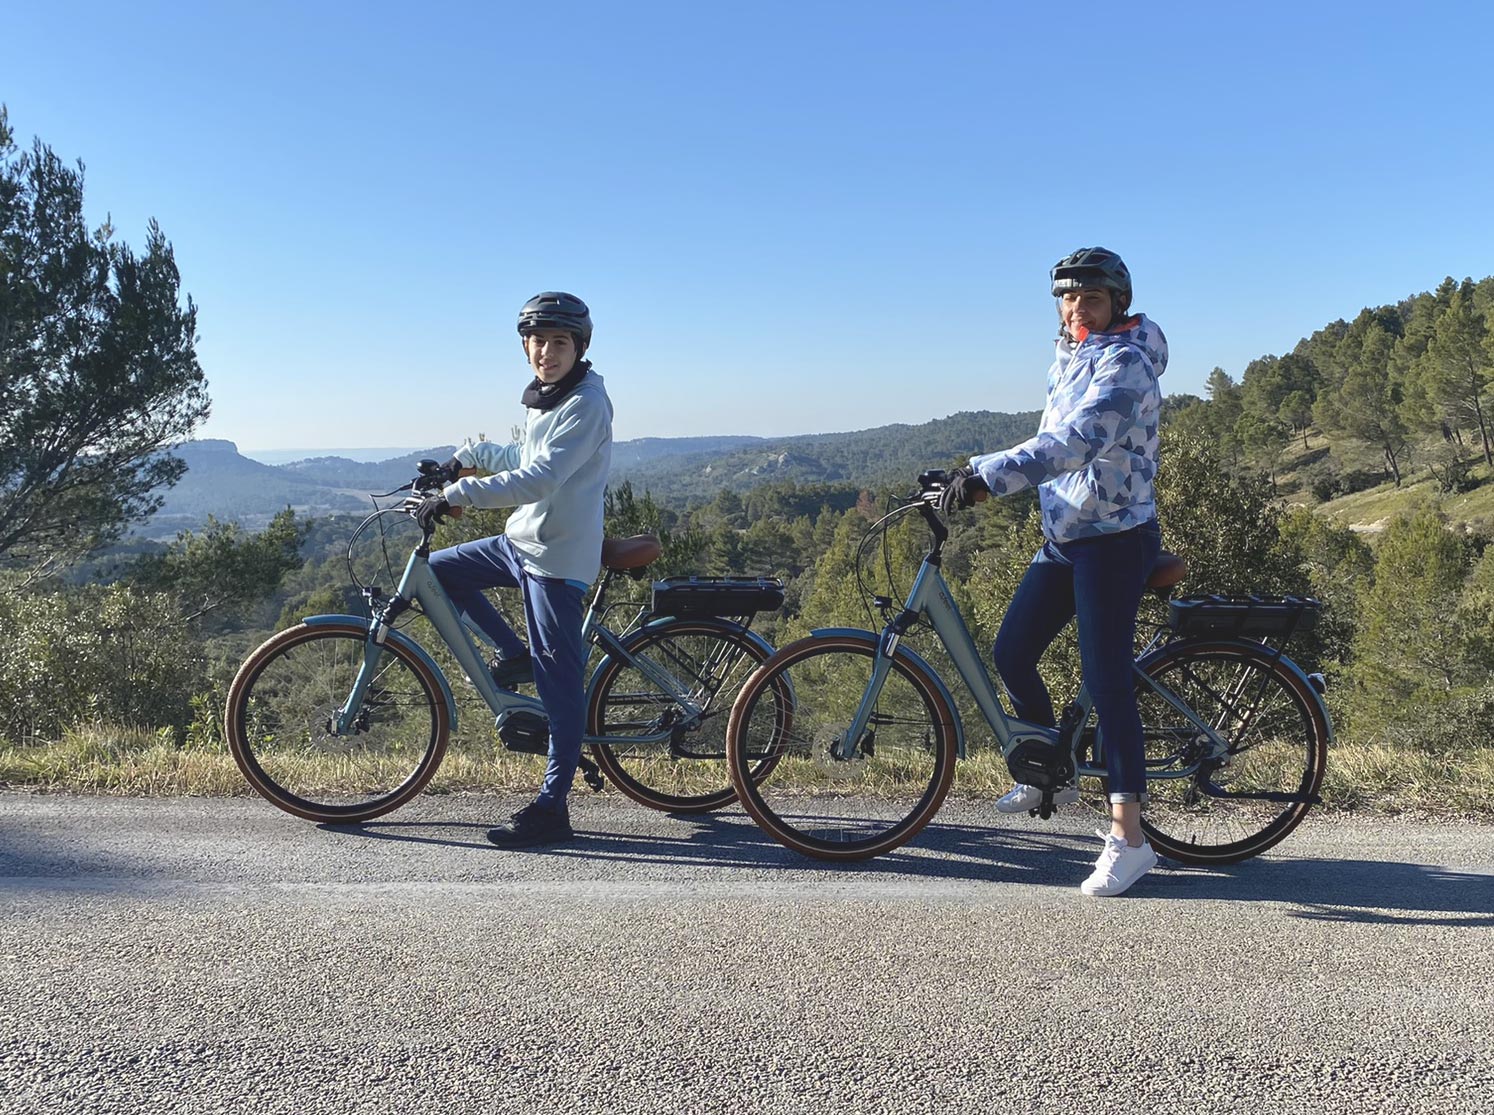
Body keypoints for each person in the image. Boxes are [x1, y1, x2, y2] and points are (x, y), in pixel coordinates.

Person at [939, 247, 1167, 896]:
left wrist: (983, 476)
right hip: (1068, 535)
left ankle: (1130, 839)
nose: (1076, 308)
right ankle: (1051, 773)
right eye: (1067, 298)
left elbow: (1074, 443)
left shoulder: (1125, 364)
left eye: (1090, 298)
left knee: (1107, 680)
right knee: (1012, 651)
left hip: (1116, 540)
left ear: (1117, 303)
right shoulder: (1072, 354)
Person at [405, 291, 613, 848]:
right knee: (442, 576)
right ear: (526, 347)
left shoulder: (587, 402)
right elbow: (520, 454)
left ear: (579, 347)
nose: (547, 351)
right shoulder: (545, 397)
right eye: (538, 341)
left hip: (557, 558)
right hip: (520, 542)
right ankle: (513, 653)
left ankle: (553, 808)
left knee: (558, 683)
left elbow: (541, 477)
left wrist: (460, 493)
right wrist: (460, 459)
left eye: (559, 342)